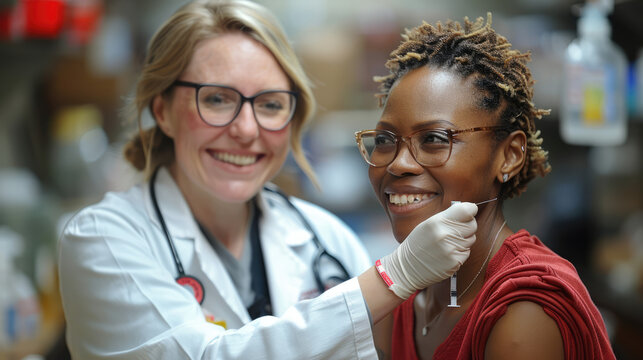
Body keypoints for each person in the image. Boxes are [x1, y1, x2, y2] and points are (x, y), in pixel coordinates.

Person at [58, 1, 481, 359]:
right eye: (218, 99)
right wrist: (394, 277)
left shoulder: (325, 239)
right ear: (163, 110)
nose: (246, 129)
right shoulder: (103, 240)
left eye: (270, 104)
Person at [356, 13, 616, 360]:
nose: (398, 163)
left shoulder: (524, 309)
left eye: (434, 138)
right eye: (386, 140)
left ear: (508, 155)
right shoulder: (397, 299)